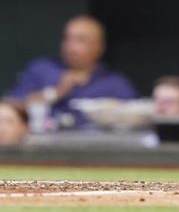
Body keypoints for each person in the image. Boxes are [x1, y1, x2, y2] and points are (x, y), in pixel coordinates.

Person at [7, 15, 137, 129]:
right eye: (67, 38)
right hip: (42, 149)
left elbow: (135, 116)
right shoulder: (42, 70)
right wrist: (55, 92)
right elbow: (10, 107)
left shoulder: (115, 83)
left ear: (99, 47)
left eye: (80, 40)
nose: (71, 46)